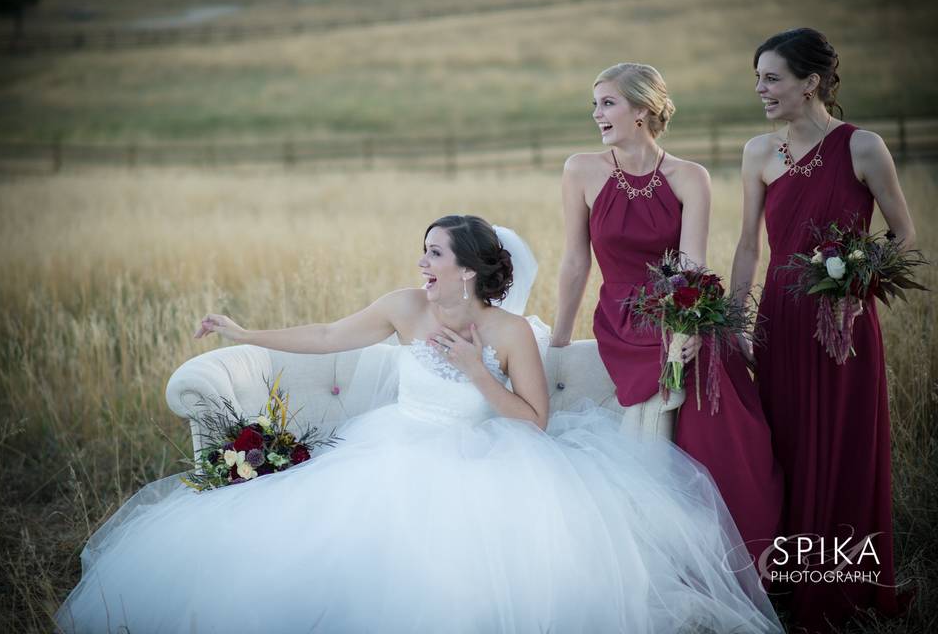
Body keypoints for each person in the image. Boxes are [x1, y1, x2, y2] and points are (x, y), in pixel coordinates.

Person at [55, 215, 781, 633]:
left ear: (468, 269)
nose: (421, 263)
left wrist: (473, 371)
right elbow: (326, 336)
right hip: (391, 450)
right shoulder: (405, 307)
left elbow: (533, 421)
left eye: (434, 253)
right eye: (423, 251)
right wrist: (245, 330)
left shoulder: (507, 335)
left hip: (489, 458)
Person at [550, 63, 784, 574]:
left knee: (715, 395)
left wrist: (690, 328)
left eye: (607, 103)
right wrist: (560, 339)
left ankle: (733, 557)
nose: (597, 114)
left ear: (642, 111)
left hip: (677, 314)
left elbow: (693, 266)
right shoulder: (581, 170)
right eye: (595, 104)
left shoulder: (689, 177)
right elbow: (575, 261)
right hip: (621, 320)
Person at [730, 28, 916, 632]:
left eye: (772, 78)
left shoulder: (862, 147)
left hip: (843, 323)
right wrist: (735, 321)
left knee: (839, 446)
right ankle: (783, 578)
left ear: (810, 82)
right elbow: (747, 246)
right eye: (757, 78)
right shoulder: (758, 151)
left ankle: (837, 584)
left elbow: (903, 236)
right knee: (783, 445)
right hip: (779, 325)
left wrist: (857, 288)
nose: (760, 90)